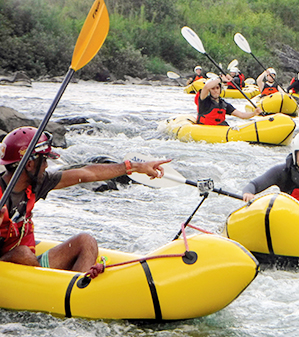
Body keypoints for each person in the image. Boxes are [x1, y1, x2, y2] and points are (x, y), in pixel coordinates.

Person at [0, 127, 170, 278]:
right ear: (29, 164)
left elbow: (88, 173)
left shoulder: (39, 183)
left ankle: (78, 291)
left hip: (28, 263)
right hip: (6, 264)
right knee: (22, 254)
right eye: (43, 160)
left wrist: (135, 167)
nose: (46, 166)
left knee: (85, 241)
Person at [196, 76, 262, 125]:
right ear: (209, 91)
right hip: (205, 129)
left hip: (219, 129)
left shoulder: (224, 104)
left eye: (217, 88)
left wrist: (254, 113)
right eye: (213, 89)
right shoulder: (204, 100)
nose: (216, 90)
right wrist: (221, 79)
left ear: (220, 89)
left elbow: (241, 115)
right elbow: (206, 87)